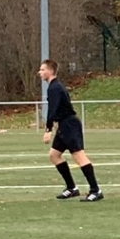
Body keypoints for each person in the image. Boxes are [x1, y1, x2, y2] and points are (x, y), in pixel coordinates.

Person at [40, 59, 102, 201]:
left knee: (79, 156)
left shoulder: (55, 87)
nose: (40, 72)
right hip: (64, 125)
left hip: (70, 125)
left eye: (43, 70)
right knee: (54, 155)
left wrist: (48, 129)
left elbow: (53, 109)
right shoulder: (53, 86)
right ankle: (71, 188)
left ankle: (95, 190)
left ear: (51, 71)